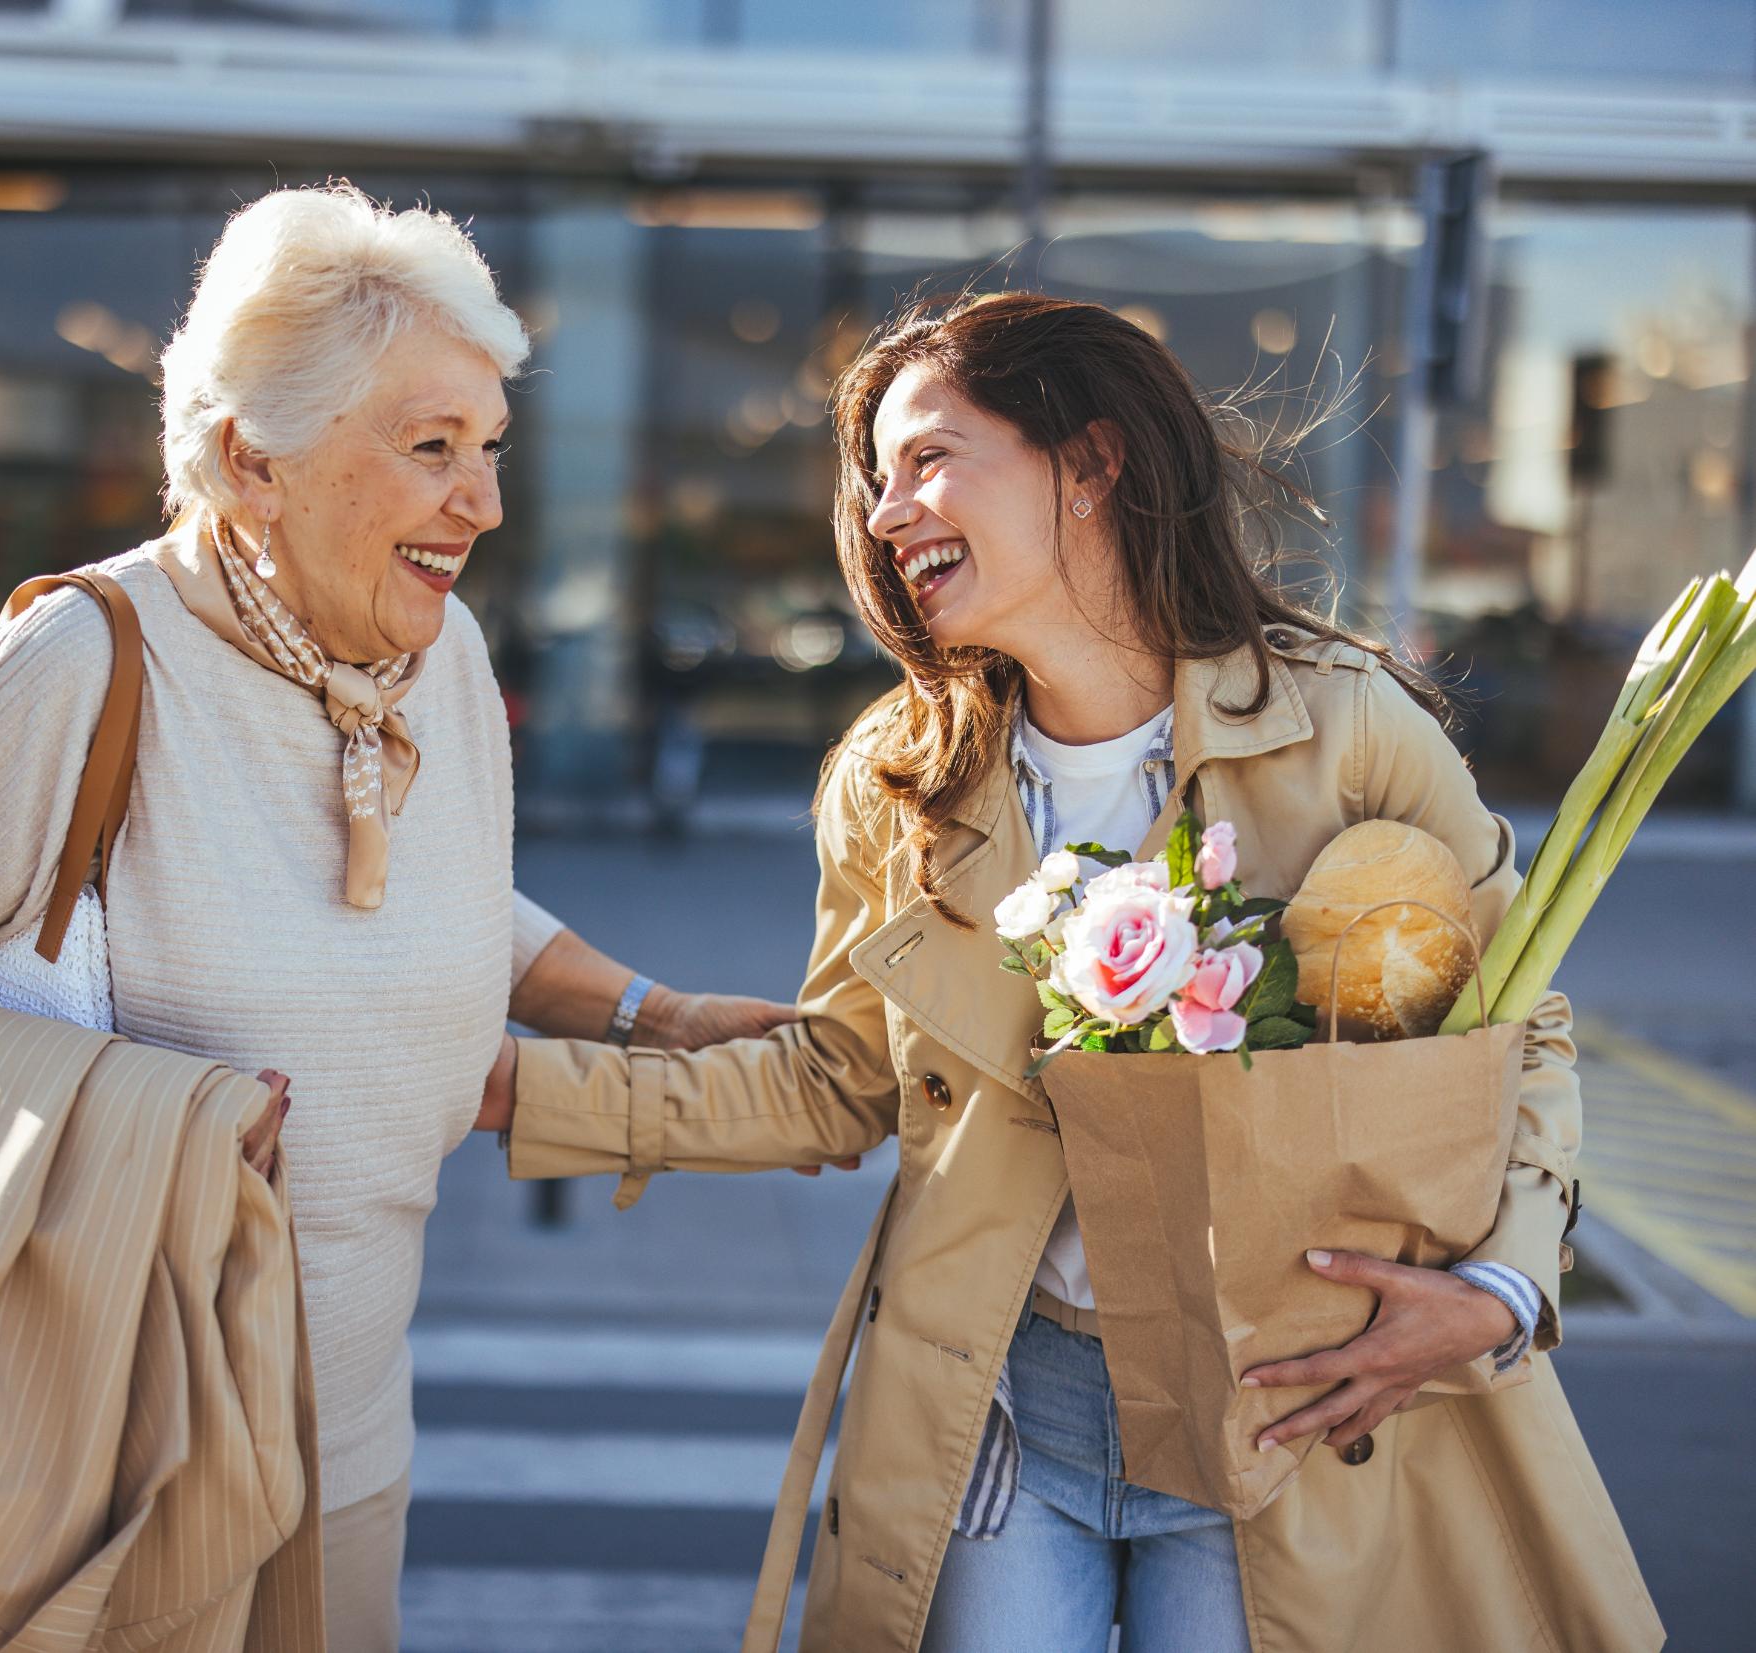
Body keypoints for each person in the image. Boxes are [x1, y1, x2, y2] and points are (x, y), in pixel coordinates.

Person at [478, 291, 1661, 1652]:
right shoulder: (897, 780)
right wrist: (516, 1091)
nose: (882, 512)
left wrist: (1496, 1291)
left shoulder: (1345, 731)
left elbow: (1522, 1027)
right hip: (997, 1402)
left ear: (1089, 462)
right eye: (872, 481)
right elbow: (838, 1079)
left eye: (925, 458)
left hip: (1277, 1406)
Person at [0, 183, 790, 1653]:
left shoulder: (436, 656)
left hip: (350, 1433)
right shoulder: (72, 661)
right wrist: (136, 1111)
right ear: (255, 461)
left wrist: (647, 1012)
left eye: (490, 448)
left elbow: (436, 892)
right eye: (430, 448)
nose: (482, 503)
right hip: (98, 1437)